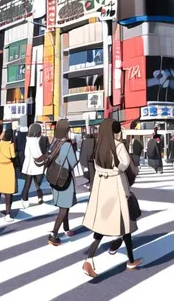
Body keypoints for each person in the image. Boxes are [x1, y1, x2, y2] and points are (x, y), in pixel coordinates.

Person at [81, 118, 141, 277]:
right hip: (116, 186)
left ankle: (89, 259)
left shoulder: (99, 145)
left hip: (102, 188)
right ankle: (130, 260)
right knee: (125, 225)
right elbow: (125, 163)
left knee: (102, 227)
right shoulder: (119, 146)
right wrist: (117, 170)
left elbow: (96, 165)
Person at [47, 119, 79, 245]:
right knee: (64, 208)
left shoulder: (54, 142)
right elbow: (73, 162)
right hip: (64, 178)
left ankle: (66, 228)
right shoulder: (66, 144)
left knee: (63, 205)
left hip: (54, 177)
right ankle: (53, 234)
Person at [0, 128, 17, 222]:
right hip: (9, 169)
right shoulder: (10, 145)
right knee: (8, 193)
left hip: (0, 168)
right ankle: (8, 213)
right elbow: (13, 157)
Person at [21, 123, 45, 208]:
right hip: (33, 164)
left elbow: (26, 153)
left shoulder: (29, 139)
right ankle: (29, 198)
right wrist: (45, 157)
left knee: (29, 182)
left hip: (29, 164)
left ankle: (26, 199)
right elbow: (36, 155)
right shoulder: (33, 140)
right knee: (34, 182)